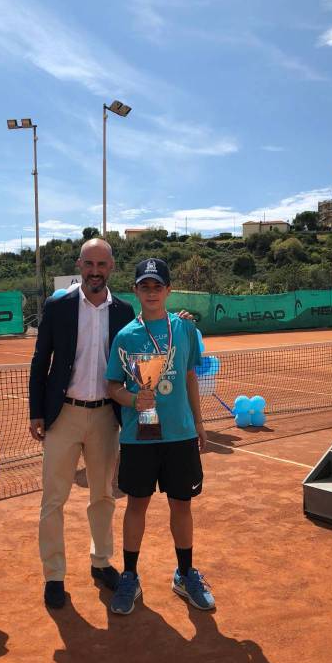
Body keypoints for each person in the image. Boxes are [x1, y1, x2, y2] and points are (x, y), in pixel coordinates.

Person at [29, 239, 135, 609]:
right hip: (63, 415)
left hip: (107, 417)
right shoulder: (58, 306)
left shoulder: (124, 311)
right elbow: (40, 360)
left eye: (101, 265)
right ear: (79, 265)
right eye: (88, 264)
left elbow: (138, 356)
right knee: (53, 499)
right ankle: (54, 575)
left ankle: (100, 561)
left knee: (103, 496)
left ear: (111, 268)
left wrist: (178, 322)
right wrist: (36, 412)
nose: (94, 271)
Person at [105, 258, 215, 615]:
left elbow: (188, 377)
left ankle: (185, 574)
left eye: (157, 286)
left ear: (168, 291)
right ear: (135, 291)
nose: (151, 293)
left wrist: (199, 423)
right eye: (144, 286)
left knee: (181, 504)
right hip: (140, 435)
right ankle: (130, 576)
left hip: (180, 434)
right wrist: (133, 399)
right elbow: (112, 385)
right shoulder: (125, 335)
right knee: (137, 504)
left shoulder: (184, 330)